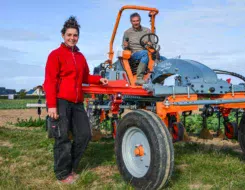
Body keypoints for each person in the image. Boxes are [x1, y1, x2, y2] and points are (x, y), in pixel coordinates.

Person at [43, 16, 108, 184]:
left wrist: (98, 79)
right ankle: (62, 174)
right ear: (63, 35)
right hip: (61, 101)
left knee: (85, 134)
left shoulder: (80, 57)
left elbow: (85, 76)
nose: (72, 38)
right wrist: (51, 105)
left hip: (77, 102)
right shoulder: (55, 55)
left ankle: (69, 166)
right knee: (62, 137)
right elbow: (49, 81)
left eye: (75, 35)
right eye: (69, 34)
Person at [122, 12, 166, 85]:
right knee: (144, 54)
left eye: (137, 20)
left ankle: (159, 80)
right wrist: (125, 45)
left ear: (140, 20)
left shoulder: (147, 30)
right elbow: (124, 46)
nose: (136, 23)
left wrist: (150, 44)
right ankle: (139, 78)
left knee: (163, 59)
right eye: (134, 21)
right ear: (131, 22)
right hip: (134, 54)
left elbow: (153, 44)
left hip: (148, 52)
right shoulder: (127, 32)